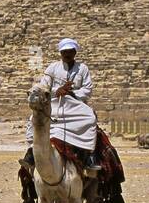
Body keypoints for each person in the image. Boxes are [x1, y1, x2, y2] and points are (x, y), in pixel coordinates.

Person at [25, 38, 101, 172]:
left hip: (76, 106)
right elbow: (43, 87)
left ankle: (90, 156)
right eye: (64, 52)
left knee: (90, 118)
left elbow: (88, 90)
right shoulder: (53, 68)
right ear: (60, 53)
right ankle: (31, 153)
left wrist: (72, 93)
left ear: (75, 52)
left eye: (70, 51)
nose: (67, 54)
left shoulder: (82, 69)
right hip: (55, 105)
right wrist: (58, 91)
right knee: (33, 120)